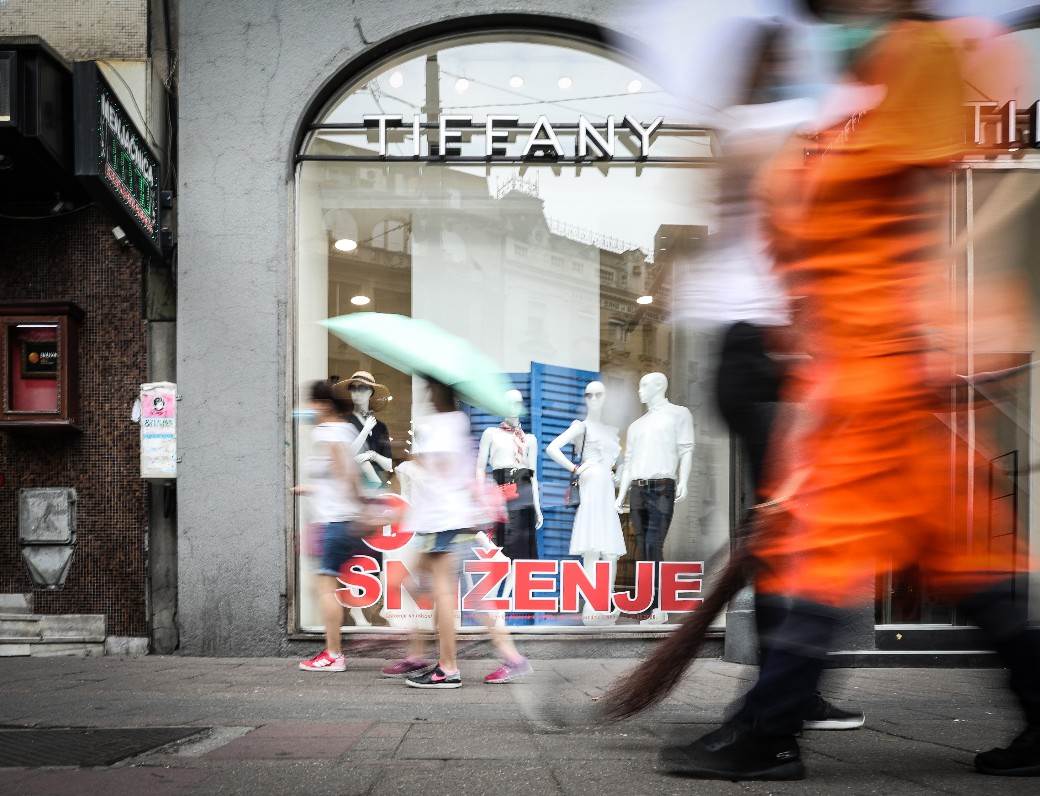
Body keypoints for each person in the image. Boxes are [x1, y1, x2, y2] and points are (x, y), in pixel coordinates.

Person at [659, 2, 1040, 780]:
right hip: (869, 379)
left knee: (821, 559)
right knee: (968, 566)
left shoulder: (907, 73)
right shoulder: (846, 124)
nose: (831, 27)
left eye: (840, 10)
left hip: (876, 384)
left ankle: (766, 735)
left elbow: (935, 159)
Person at [673, 17, 864, 729]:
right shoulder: (772, 134)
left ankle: (788, 688)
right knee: (795, 527)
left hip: (753, 354)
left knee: (792, 522)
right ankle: (787, 693)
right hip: (768, 355)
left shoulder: (746, 135)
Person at [400, 376, 532, 689]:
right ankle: (511, 658)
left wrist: (420, 456)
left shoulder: (442, 425)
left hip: (443, 520)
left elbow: (439, 470)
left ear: (438, 391)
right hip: (452, 518)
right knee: (457, 595)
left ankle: (447, 667)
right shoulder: (457, 422)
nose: (426, 394)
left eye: (429, 389)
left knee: (441, 593)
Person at [295, 379, 367, 672]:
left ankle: (334, 654)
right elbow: (339, 476)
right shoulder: (345, 428)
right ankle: (333, 650)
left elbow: (344, 472)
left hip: (333, 521)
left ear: (323, 405)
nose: (308, 409)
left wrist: (356, 503)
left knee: (325, 588)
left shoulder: (329, 432)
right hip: (336, 518)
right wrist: (310, 489)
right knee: (325, 586)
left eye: (312, 403)